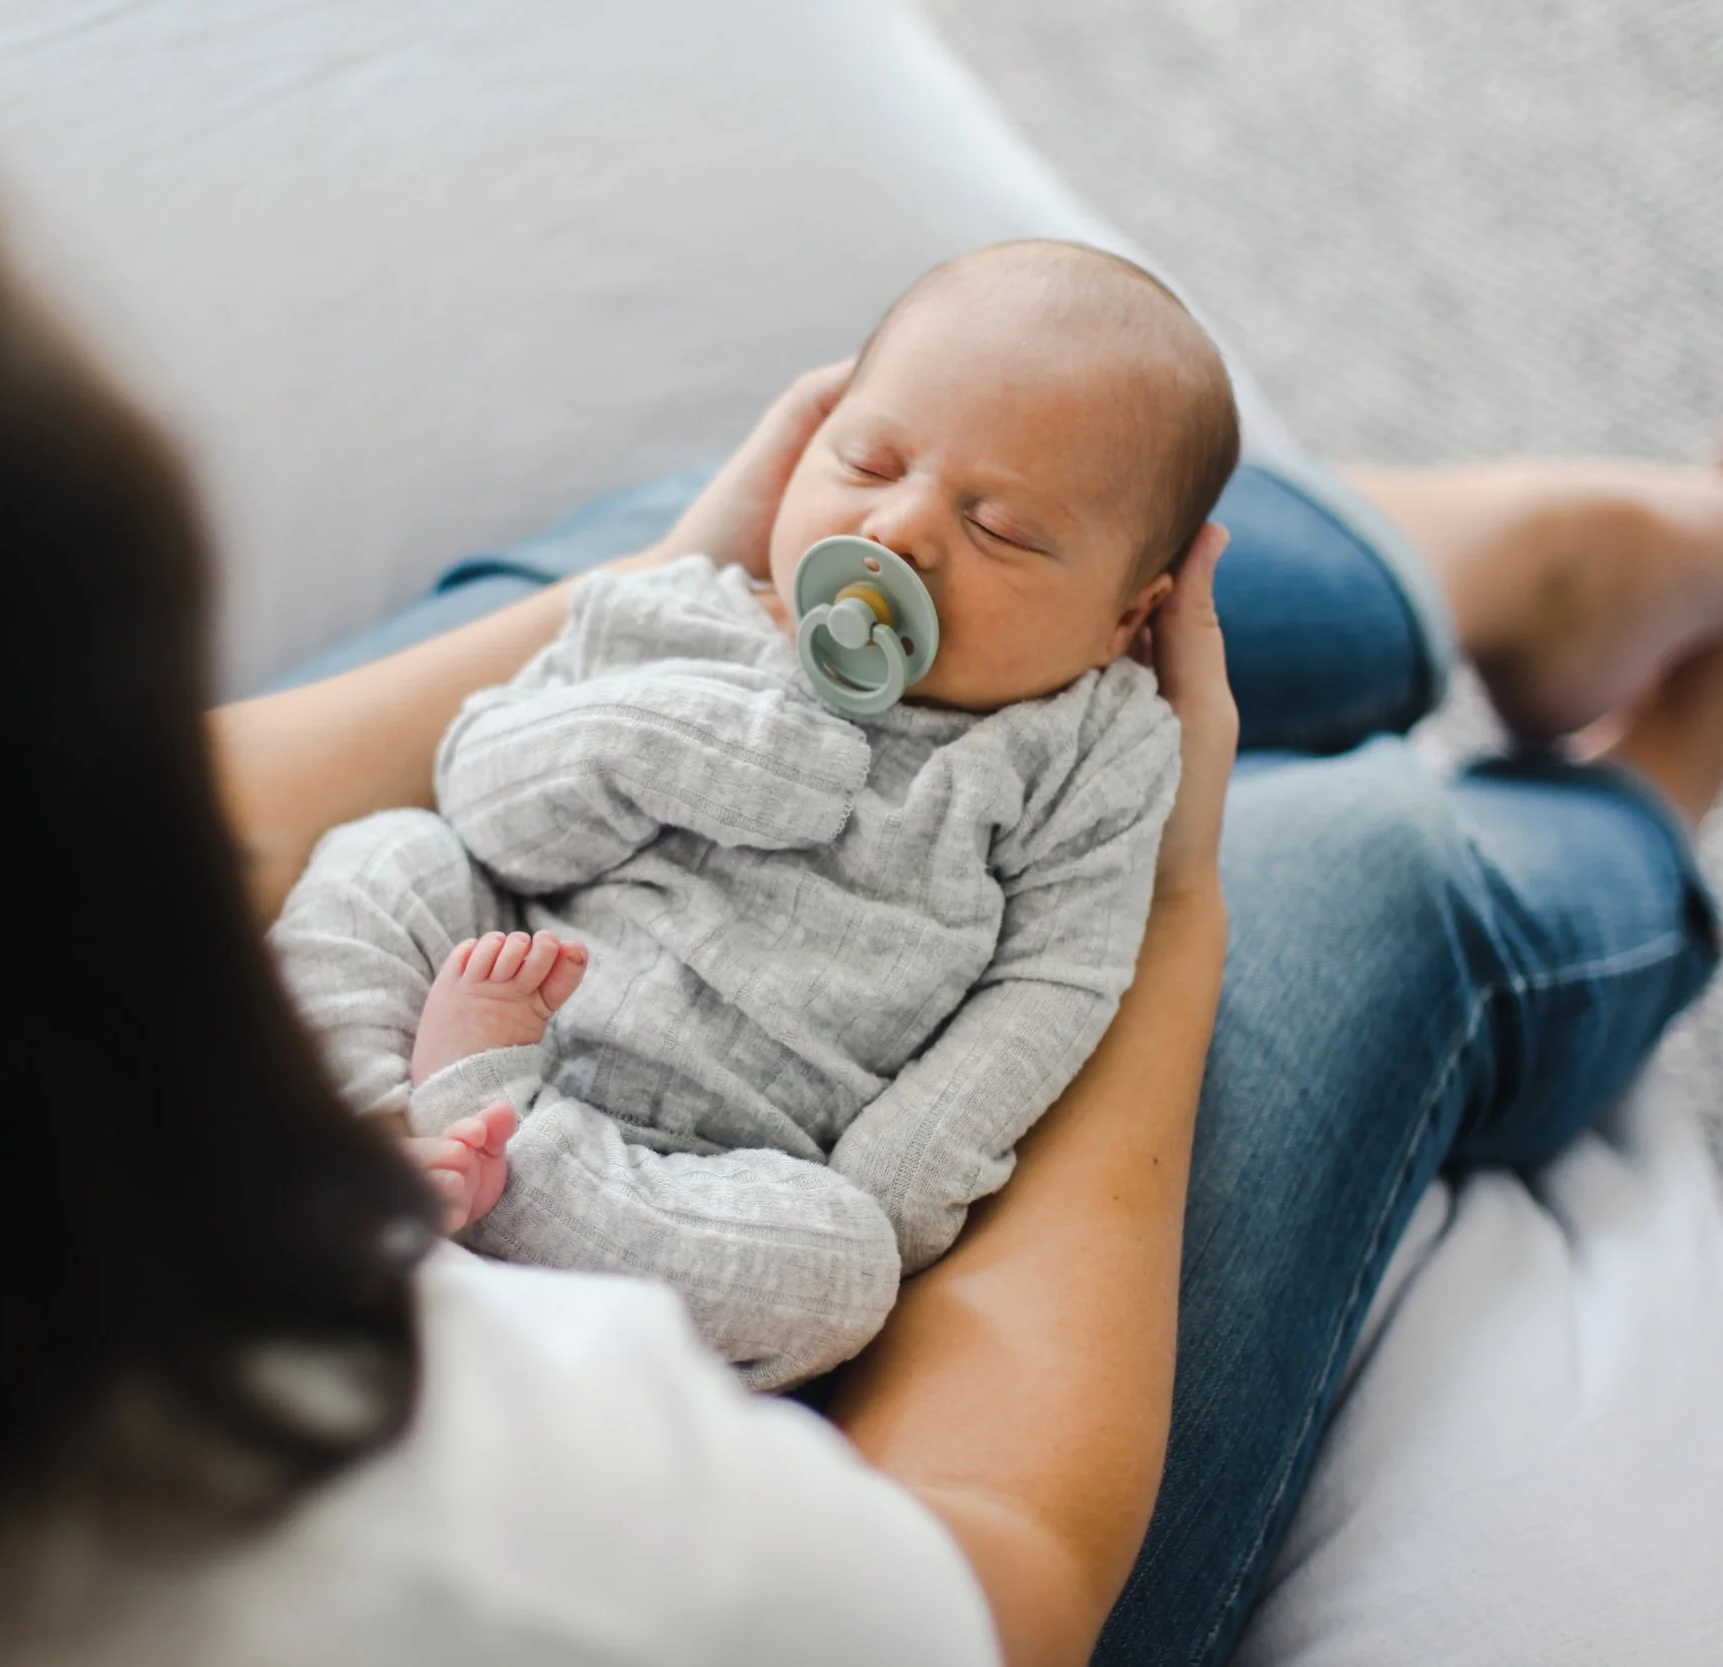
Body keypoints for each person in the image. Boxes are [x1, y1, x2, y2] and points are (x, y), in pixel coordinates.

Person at [0, 5, 1723, 1667]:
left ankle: (1481, 562)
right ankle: (1650, 790)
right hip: (727, 1263)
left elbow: (225, 804)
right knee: (1371, 887)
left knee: (783, 533)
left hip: (620, 865)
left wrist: (648, 610)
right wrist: (1169, 896)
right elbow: (989, 1569)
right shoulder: (401, 1540)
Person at [271, 240, 1228, 1389]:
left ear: (1127, 618)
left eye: (1002, 528)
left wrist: (897, 1178)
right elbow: (490, 809)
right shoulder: (690, 614)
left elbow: (1056, 977)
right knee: (388, 857)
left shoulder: (1086, 754)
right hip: (503, 979)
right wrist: (673, 738)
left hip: (708, 1170)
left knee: (846, 1266)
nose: (898, 530)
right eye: (867, 461)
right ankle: (373, 1136)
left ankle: (500, 1171)